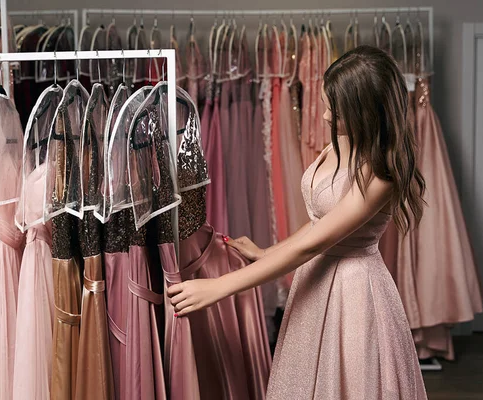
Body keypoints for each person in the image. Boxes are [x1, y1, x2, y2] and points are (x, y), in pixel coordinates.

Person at [168, 45, 428, 399]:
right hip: (315, 281)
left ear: (365, 112)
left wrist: (221, 287)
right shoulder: (339, 142)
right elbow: (319, 221)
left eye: (334, 111)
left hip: (354, 293)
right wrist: (267, 252)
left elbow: (315, 243)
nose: (323, 117)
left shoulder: (381, 173)